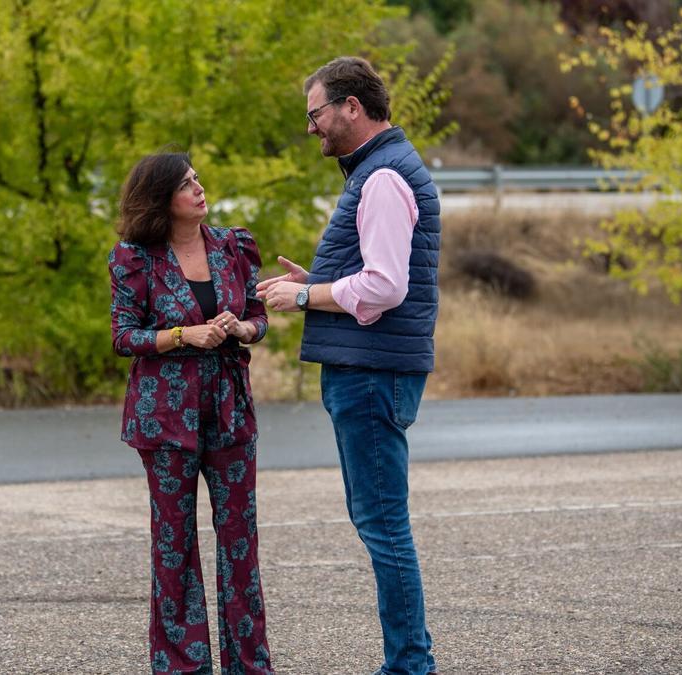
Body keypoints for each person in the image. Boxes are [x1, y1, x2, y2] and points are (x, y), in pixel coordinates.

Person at [257, 56, 442, 675]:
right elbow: (379, 275)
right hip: (373, 366)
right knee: (380, 519)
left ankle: (409, 666)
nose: (312, 127)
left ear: (351, 107)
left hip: (370, 372)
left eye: (316, 114)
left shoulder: (383, 177)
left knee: (383, 523)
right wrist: (324, 281)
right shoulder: (380, 168)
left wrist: (308, 297)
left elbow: (387, 286)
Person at [109, 152, 274, 675]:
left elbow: (257, 314)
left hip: (230, 411)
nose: (199, 189)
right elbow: (123, 336)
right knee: (174, 546)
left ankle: (250, 665)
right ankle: (183, 666)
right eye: (186, 184)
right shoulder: (135, 257)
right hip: (165, 419)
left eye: (198, 179)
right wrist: (184, 335)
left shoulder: (234, 245)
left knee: (240, 543)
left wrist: (245, 329)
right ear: (162, 199)